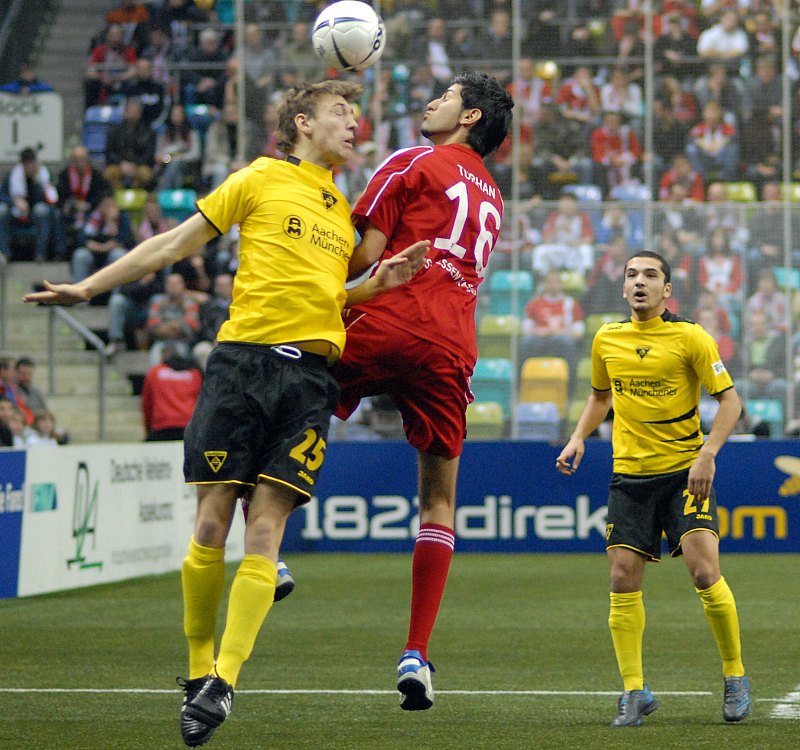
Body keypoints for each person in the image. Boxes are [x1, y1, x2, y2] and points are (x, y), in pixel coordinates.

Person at [23, 78, 428, 748]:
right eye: (341, 111)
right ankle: (196, 671)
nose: (354, 122)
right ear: (302, 123)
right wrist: (89, 286)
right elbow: (172, 245)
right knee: (212, 522)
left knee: (266, 530)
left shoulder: (341, 209)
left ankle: (225, 681)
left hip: (311, 379)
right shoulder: (258, 178)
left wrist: (373, 285)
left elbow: (328, 294)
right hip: (243, 364)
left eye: (356, 114)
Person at [331, 72, 513, 711]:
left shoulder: (414, 160)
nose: (434, 102)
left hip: (388, 320)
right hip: (452, 346)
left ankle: (265, 545)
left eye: (448, 97)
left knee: (284, 385)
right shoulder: (493, 195)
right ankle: (416, 652)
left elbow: (363, 258)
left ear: (470, 117)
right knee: (438, 502)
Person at [555, 250, 751, 727]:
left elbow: (730, 402)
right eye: (631, 275)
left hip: (686, 472)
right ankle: (634, 691)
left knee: (704, 573)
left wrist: (707, 455)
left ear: (667, 290)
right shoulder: (607, 338)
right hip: (630, 476)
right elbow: (600, 395)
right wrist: (578, 436)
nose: (639, 281)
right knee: (622, 578)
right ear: (623, 287)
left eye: (650, 275)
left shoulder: (691, 337)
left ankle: (735, 675)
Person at [0, 147, 59, 262]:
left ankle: (40, 254)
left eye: (32, 163)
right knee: (1, 210)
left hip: (36, 214)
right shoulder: (13, 175)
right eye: (26, 164)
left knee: (41, 210)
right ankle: (5, 253)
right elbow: (2, 195)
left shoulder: (44, 175)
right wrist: (14, 201)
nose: (30, 167)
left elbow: (51, 198)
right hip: (16, 214)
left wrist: (36, 182)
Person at [56, 146, 112, 259]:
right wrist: (74, 204)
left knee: (90, 220)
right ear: (72, 160)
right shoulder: (65, 175)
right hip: (71, 210)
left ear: (87, 159)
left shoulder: (96, 175)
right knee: (57, 216)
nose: (80, 161)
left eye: (82, 158)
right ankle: (60, 252)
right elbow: (61, 195)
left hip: (91, 209)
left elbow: (101, 195)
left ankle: (83, 247)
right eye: (77, 159)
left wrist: (88, 205)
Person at [141, 345, 203, 440]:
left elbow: (147, 403)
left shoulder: (155, 372)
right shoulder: (195, 374)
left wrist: (148, 428)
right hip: (189, 425)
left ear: (162, 356)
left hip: (162, 426)